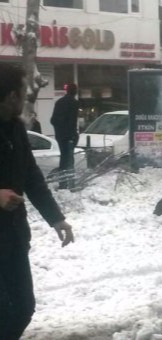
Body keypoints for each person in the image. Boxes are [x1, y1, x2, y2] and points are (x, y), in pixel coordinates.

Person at [0, 64, 75, 340]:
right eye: (23, 91)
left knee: (23, 307)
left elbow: (31, 177)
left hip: (13, 237)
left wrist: (56, 218)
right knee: (4, 312)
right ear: (10, 96)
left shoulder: (16, 130)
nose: (26, 96)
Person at [50, 83, 79, 190]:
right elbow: (72, 122)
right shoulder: (74, 103)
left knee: (64, 159)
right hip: (69, 137)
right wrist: (72, 135)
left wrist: (59, 131)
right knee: (69, 160)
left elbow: (53, 120)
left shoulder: (59, 102)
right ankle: (71, 184)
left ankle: (63, 183)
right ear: (74, 91)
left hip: (61, 136)